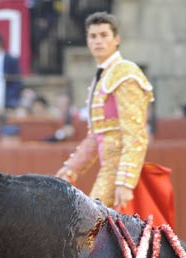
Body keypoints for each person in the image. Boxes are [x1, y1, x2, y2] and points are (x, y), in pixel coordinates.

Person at [55, 12, 154, 210]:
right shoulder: (103, 77)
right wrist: (72, 168)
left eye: (103, 35)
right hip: (110, 168)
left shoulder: (124, 73)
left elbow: (136, 135)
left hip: (120, 169)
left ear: (116, 39)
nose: (98, 41)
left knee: (93, 224)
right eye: (93, 36)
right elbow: (97, 135)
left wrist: (125, 182)